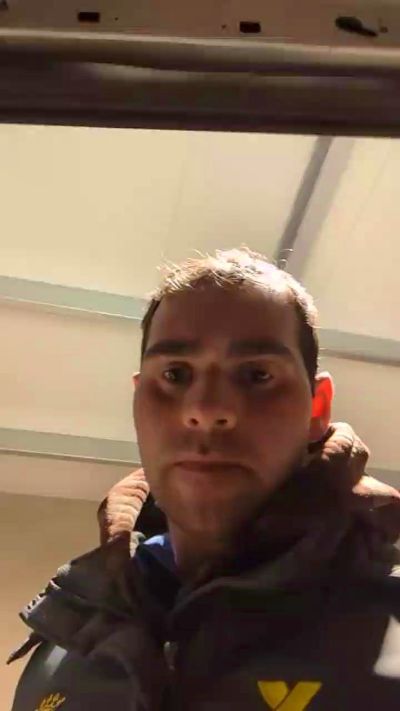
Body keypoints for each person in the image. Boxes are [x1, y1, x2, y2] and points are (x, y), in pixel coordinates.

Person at [9, 248, 400, 711]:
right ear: (138, 401)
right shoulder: (63, 641)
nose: (206, 409)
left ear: (317, 409)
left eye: (257, 375)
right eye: (175, 374)